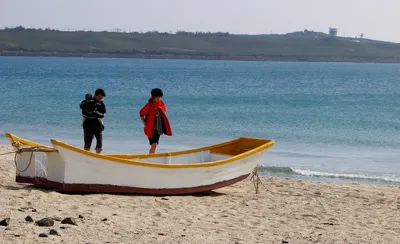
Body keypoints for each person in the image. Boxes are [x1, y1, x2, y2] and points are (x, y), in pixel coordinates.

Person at [139, 88, 172, 154]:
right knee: (154, 145)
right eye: (156, 97)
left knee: (154, 145)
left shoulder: (162, 104)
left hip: (158, 129)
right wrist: (145, 124)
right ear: (153, 97)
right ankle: (151, 159)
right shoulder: (149, 105)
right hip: (151, 129)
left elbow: (163, 115)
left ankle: (152, 157)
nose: (158, 99)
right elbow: (141, 113)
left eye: (159, 97)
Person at [80, 88, 107, 153]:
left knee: (99, 144)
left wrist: (97, 114)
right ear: (95, 95)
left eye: (102, 98)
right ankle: (85, 158)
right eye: (99, 97)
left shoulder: (101, 103)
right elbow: (83, 110)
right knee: (87, 145)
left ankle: (98, 157)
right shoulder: (87, 102)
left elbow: (104, 113)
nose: (100, 99)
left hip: (98, 124)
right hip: (88, 124)